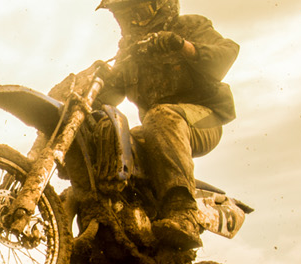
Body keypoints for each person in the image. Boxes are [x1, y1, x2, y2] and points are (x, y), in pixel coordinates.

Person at [90, 0, 240, 249]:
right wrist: (89, 92)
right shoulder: (130, 51)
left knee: (161, 116)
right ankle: (120, 220)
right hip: (157, 128)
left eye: (139, 12)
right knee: (113, 136)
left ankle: (184, 213)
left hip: (203, 119)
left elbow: (226, 54)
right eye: (127, 15)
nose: (134, 20)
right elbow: (109, 94)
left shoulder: (189, 26)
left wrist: (182, 45)